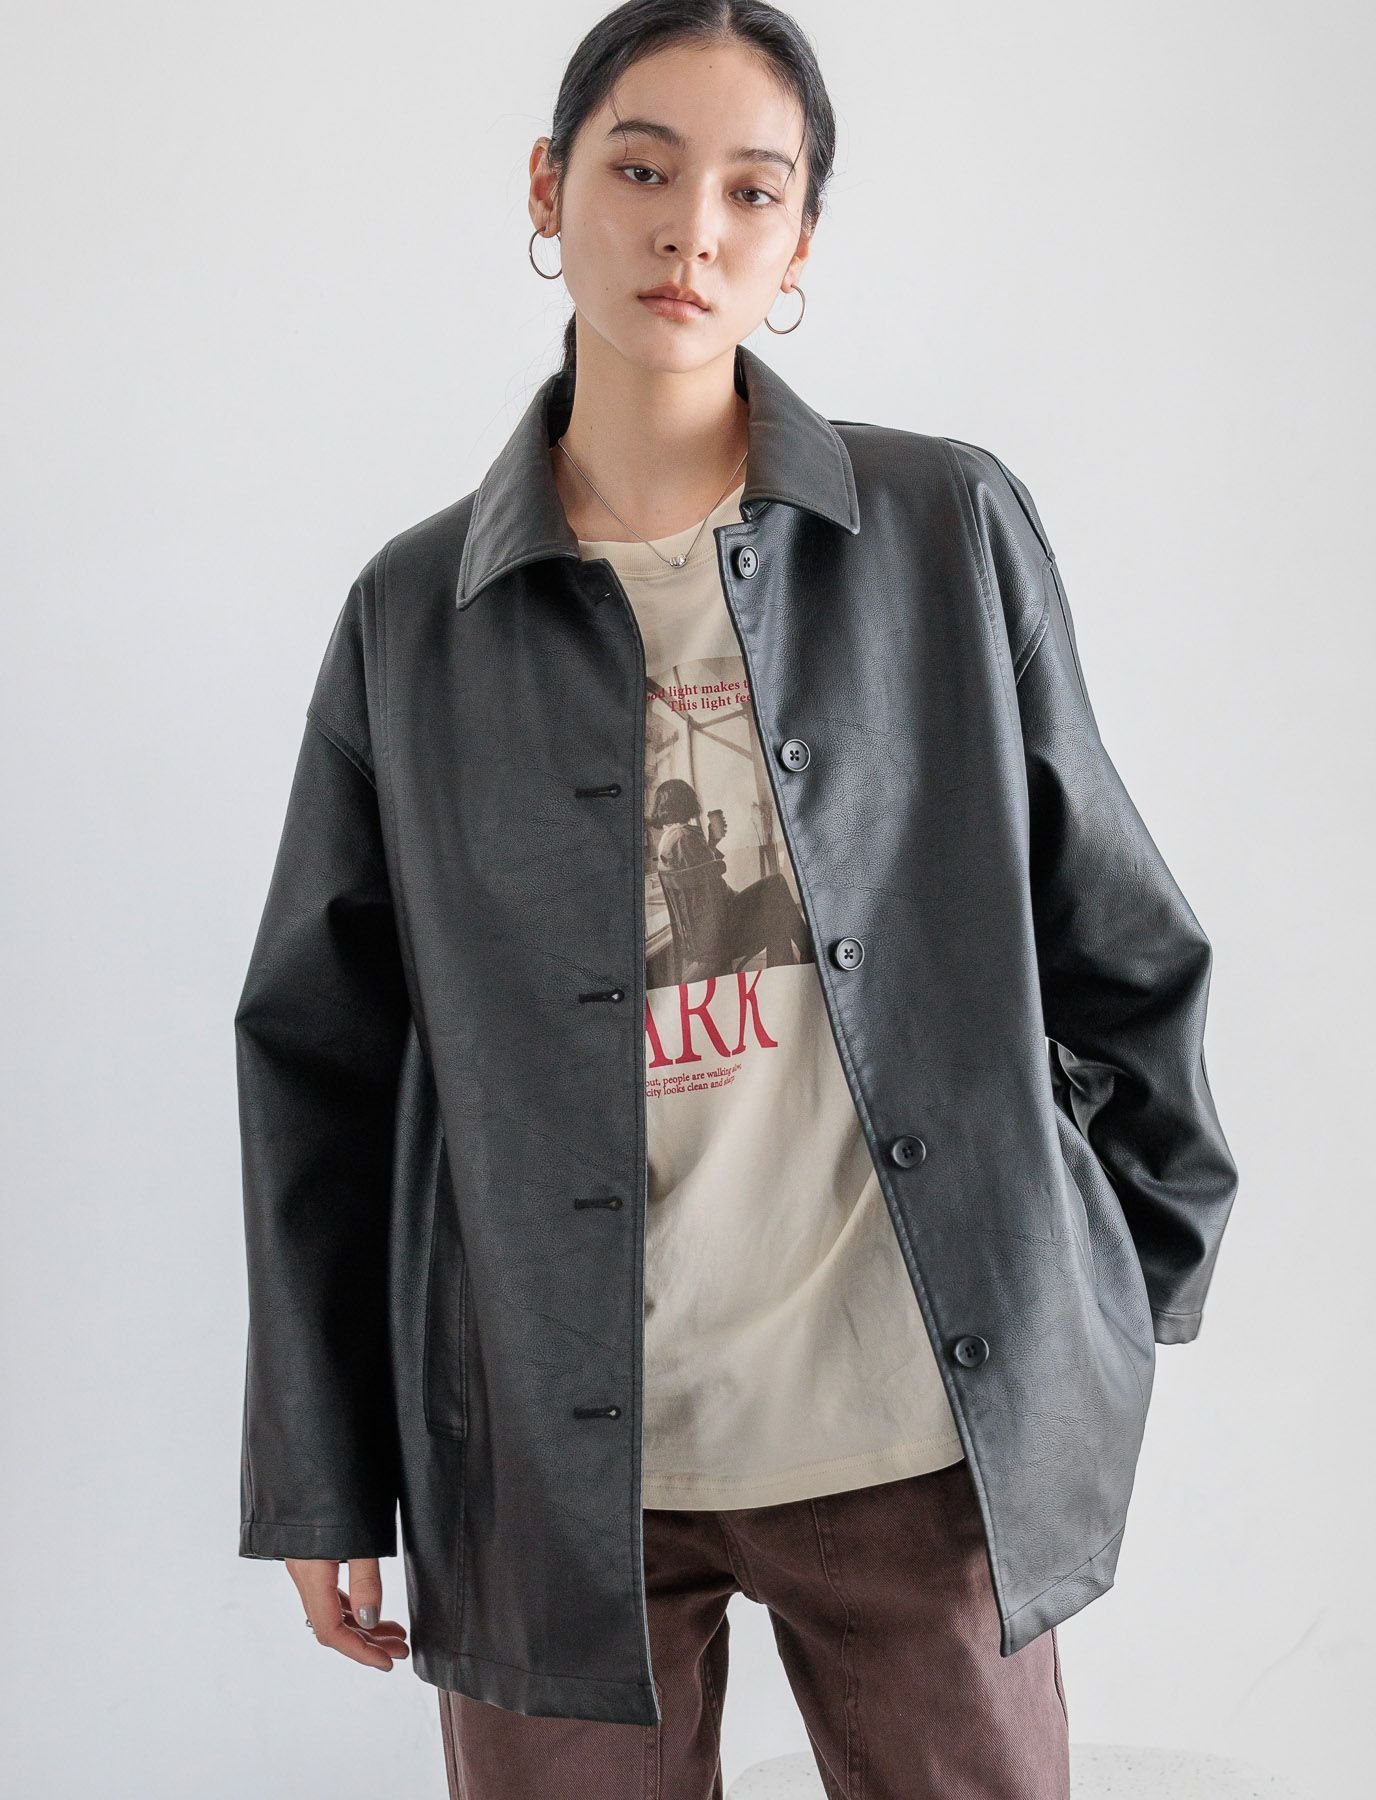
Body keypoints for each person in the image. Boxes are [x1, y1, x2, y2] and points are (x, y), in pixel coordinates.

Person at [235, 4, 1238, 1796]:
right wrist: (324, 1472)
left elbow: (1114, 927)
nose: (689, 229)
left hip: (914, 1424)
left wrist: (1109, 1283)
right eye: (641, 169)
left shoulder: (943, 528)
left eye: (752, 191)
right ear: (547, 189)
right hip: (550, 1464)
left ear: (800, 245)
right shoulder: (413, 619)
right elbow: (320, 1059)